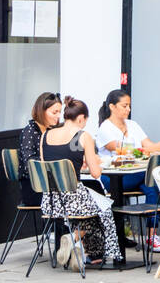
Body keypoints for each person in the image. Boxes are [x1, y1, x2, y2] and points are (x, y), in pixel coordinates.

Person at [40, 98, 120, 267]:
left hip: (50, 201)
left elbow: (48, 166)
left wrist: (76, 162)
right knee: (104, 208)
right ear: (81, 118)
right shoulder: (83, 136)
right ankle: (75, 238)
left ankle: (78, 253)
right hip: (74, 198)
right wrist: (94, 161)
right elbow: (95, 172)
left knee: (92, 207)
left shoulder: (45, 135)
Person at [96, 89, 160, 207]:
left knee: (152, 188)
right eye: (124, 106)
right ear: (112, 107)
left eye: (129, 106)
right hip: (113, 178)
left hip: (136, 174)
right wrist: (155, 148)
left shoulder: (133, 125)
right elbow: (122, 149)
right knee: (153, 175)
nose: (128, 109)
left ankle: (152, 225)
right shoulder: (105, 128)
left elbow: (149, 146)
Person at [20, 92, 62, 208]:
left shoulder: (52, 131)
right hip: (35, 188)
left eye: (59, 112)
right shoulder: (30, 131)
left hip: (54, 184)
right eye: (54, 112)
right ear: (41, 111)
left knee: (90, 188)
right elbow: (30, 164)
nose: (58, 116)